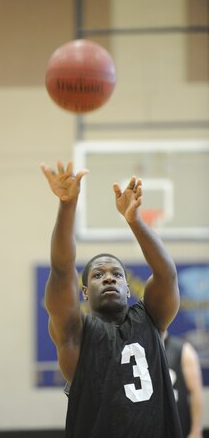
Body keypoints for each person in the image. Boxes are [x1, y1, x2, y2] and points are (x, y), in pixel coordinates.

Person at [40, 160, 183, 438]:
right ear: (84, 293)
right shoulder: (76, 334)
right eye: (97, 275)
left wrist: (134, 220)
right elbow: (61, 270)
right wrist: (67, 204)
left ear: (128, 289)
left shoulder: (150, 319)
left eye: (117, 274)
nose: (108, 278)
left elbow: (166, 275)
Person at [164, 332, 204, 438]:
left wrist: (196, 431)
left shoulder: (181, 349)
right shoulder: (143, 347)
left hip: (180, 424)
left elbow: (195, 392)